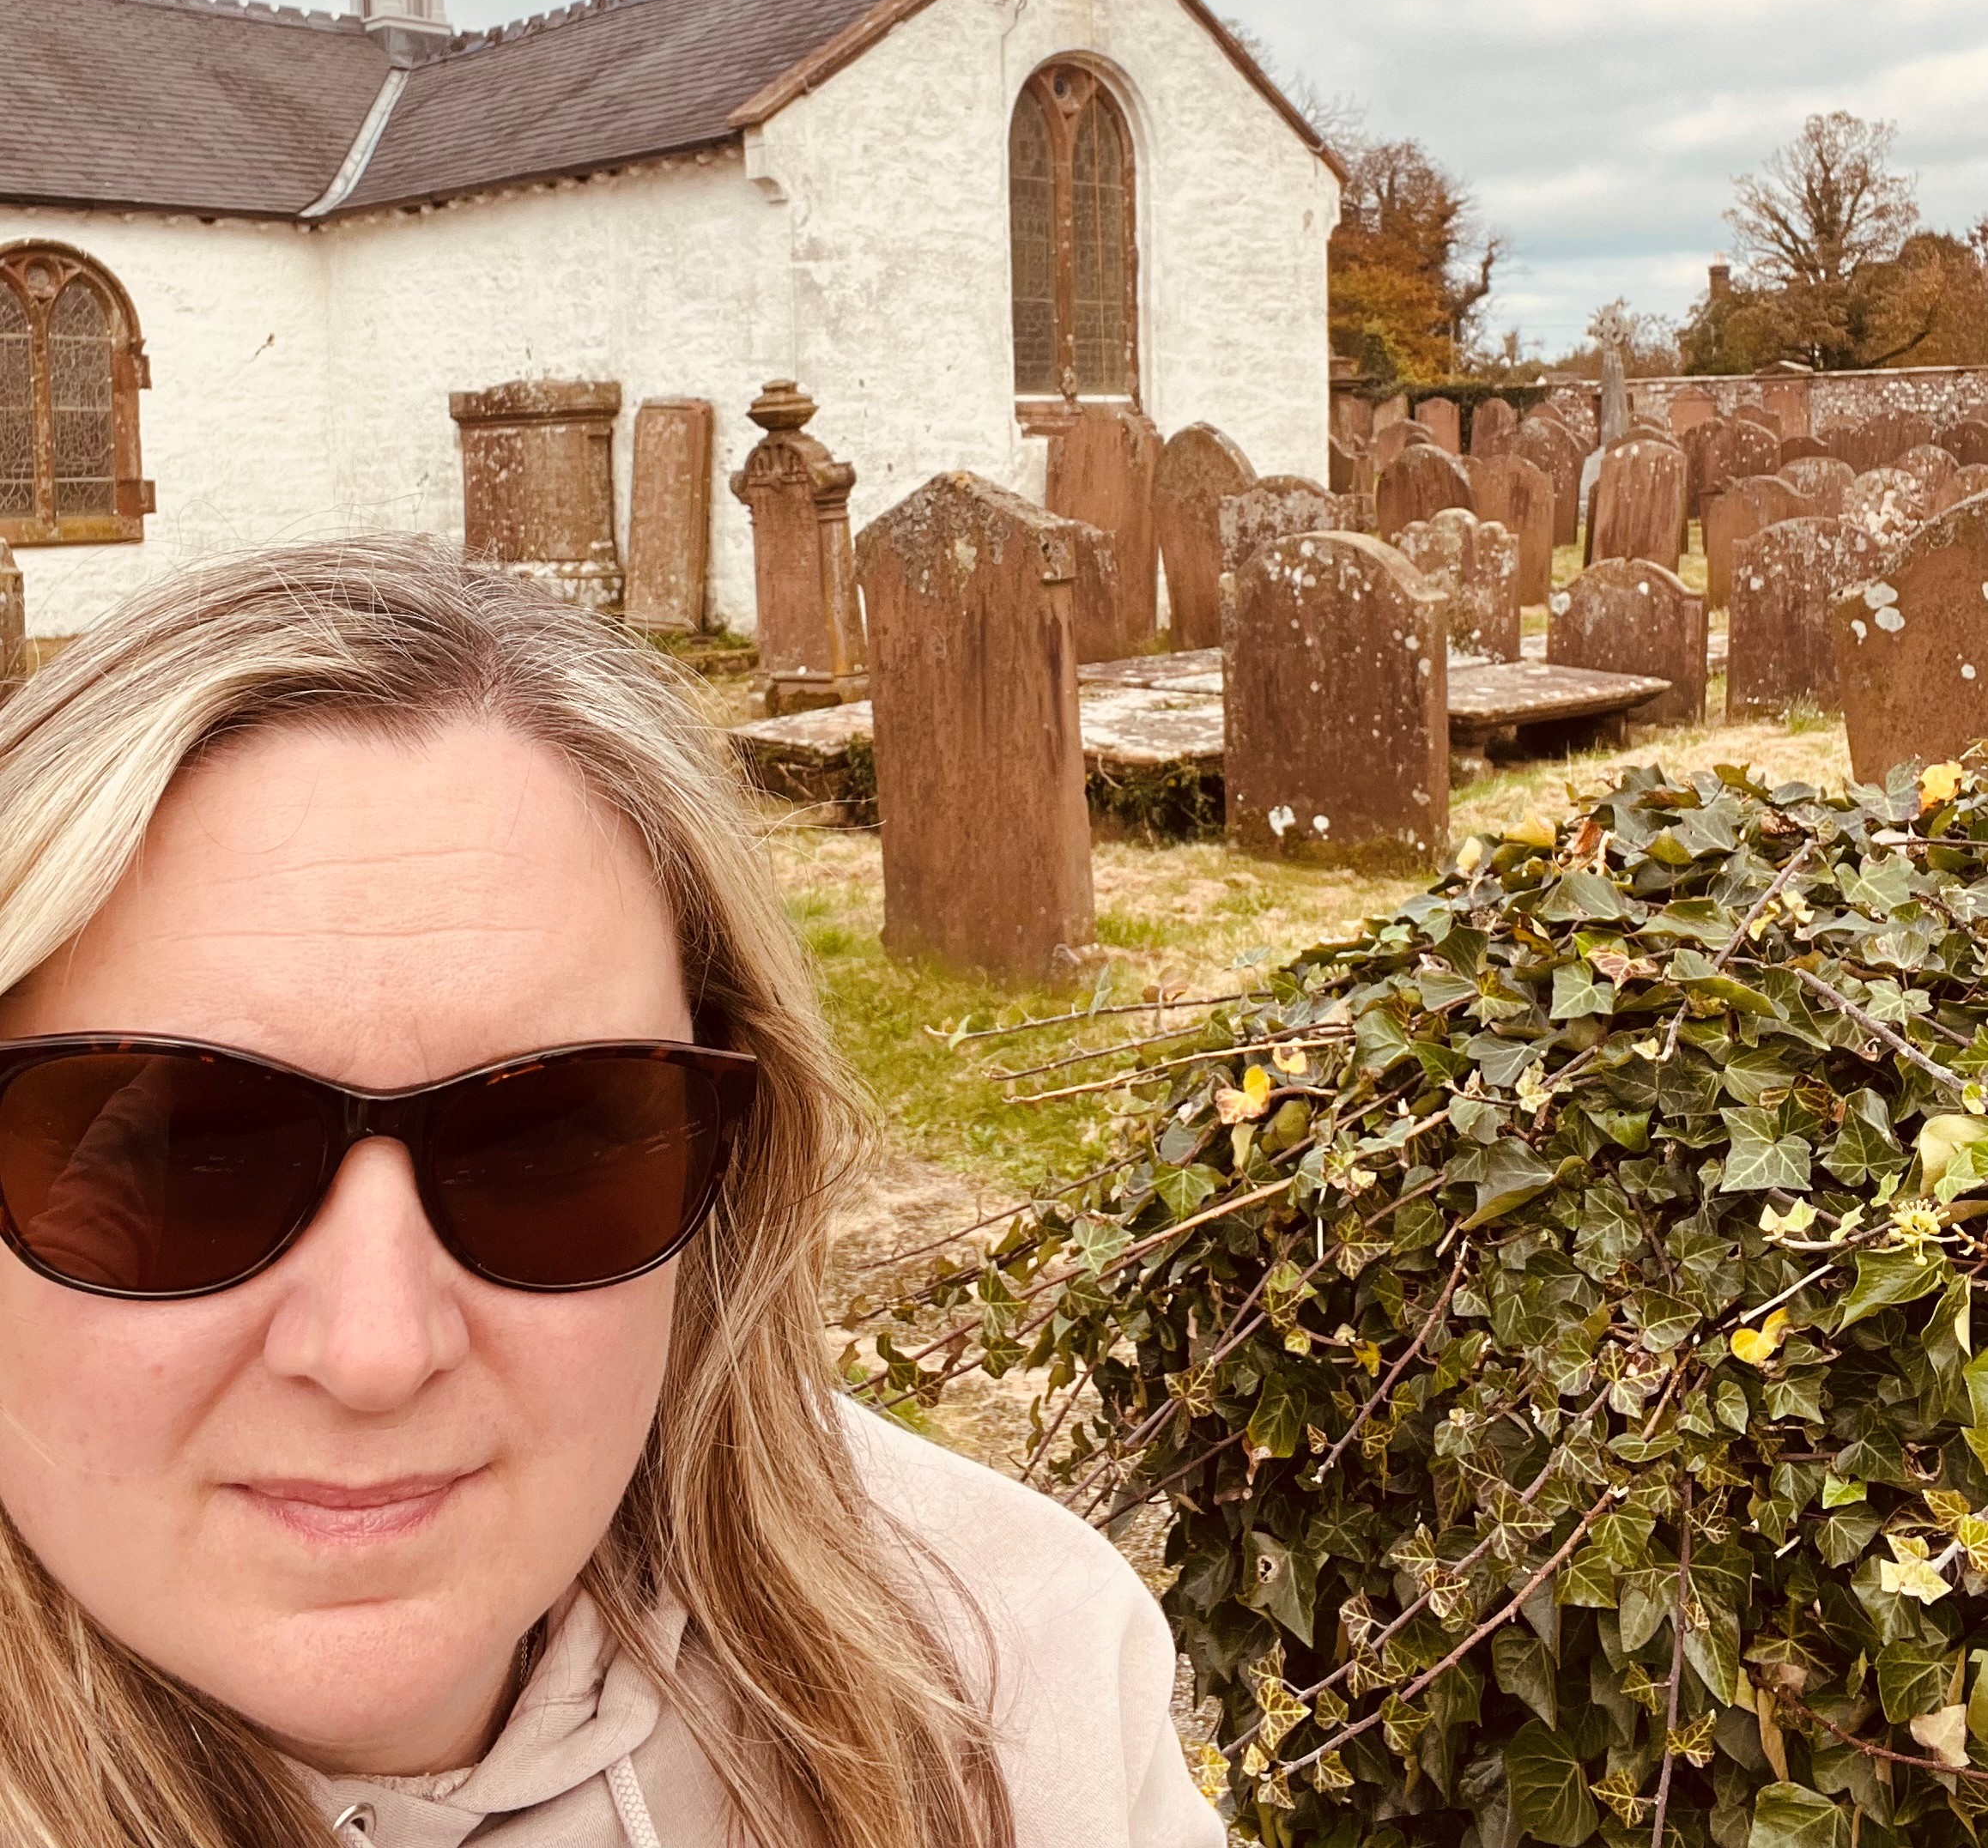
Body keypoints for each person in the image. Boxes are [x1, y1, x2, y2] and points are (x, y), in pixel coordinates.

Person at [0, 539, 1222, 1848]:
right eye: (187, 1159)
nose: (375, 1353)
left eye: (545, 1146)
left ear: (731, 1178)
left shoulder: (1014, 1678)